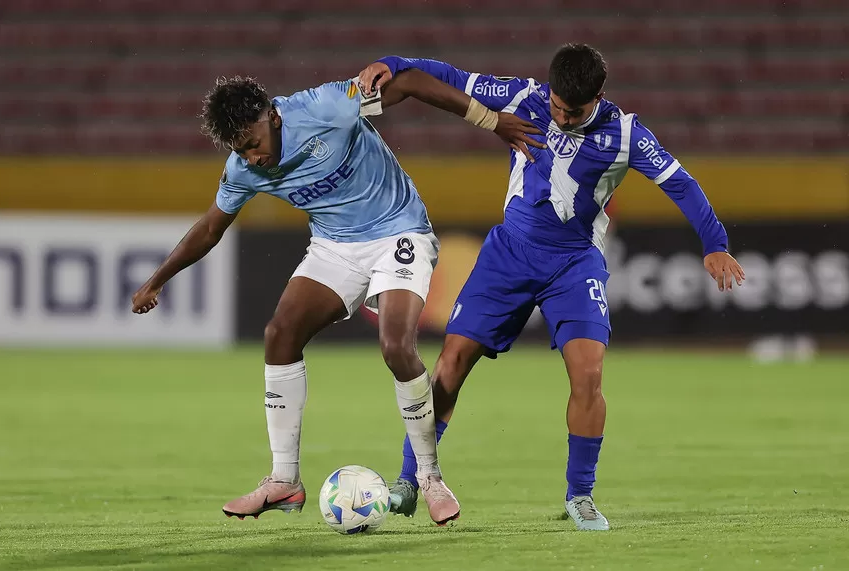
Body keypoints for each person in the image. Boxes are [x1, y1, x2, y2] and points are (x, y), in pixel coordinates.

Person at [357, 44, 745, 531]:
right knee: (452, 362)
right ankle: (412, 479)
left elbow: (680, 183)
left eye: (573, 111)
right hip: (508, 254)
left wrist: (714, 242)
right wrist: (392, 64)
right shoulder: (524, 98)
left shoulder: (626, 134)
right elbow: (448, 75)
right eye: (557, 106)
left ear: (599, 97)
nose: (561, 117)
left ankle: (580, 496)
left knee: (588, 372)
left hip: (574, 264)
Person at [130, 69, 543, 525]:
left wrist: (489, 120)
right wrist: (157, 280)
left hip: (399, 231)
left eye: (253, 141)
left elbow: (407, 83)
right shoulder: (243, 168)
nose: (252, 156)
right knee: (280, 334)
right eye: (240, 150)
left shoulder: (324, 107)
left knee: (395, 346)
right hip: (334, 247)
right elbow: (211, 228)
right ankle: (283, 480)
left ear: (273, 116)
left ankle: (429, 477)